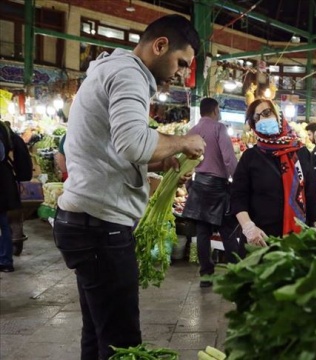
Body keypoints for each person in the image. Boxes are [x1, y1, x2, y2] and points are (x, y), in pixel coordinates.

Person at [52, 15, 205, 359]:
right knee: (122, 343)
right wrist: (182, 142)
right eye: (182, 63)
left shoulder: (113, 70)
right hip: (100, 228)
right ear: (160, 45)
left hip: (86, 222)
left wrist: (159, 161)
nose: (182, 73)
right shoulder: (129, 74)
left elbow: (115, 151)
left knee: (99, 332)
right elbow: (133, 143)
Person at [231, 99, 316, 247]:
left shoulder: (301, 153)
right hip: (260, 240)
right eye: (257, 117)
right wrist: (248, 227)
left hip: (296, 239)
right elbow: (237, 197)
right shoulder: (250, 157)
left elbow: (311, 195)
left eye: (267, 113)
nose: (262, 119)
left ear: (278, 114)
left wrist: (315, 229)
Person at [181, 98, 237, 288]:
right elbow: (228, 157)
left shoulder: (192, 131)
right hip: (217, 187)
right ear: (215, 110)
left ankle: (206, 274)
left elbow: (185, 161)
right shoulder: (219, 129)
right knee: (227, 231)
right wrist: (237, 179)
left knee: (203, 232)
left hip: (199, 185)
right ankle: (236, 271)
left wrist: (188, 183)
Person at [0, 122, 28, 273]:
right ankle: (5, 260)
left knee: (4, 222)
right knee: (4, 223)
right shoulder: (7, 131)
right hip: (6, 181)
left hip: (2, 182)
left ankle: (4, 259)